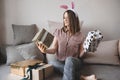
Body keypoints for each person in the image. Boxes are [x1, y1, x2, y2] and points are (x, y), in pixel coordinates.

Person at [36, 10, 87, 80]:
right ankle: (82, 77)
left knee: (69, 60)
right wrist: (45, 50)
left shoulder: (80, 35)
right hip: (61, 62)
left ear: (73, 19)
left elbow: (80, 55)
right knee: (51, 63)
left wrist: (86, 49)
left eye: (67, 18)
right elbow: (54, 49)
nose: (65, 20)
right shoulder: (58, 32)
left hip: (75, 62)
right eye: (64, 17)